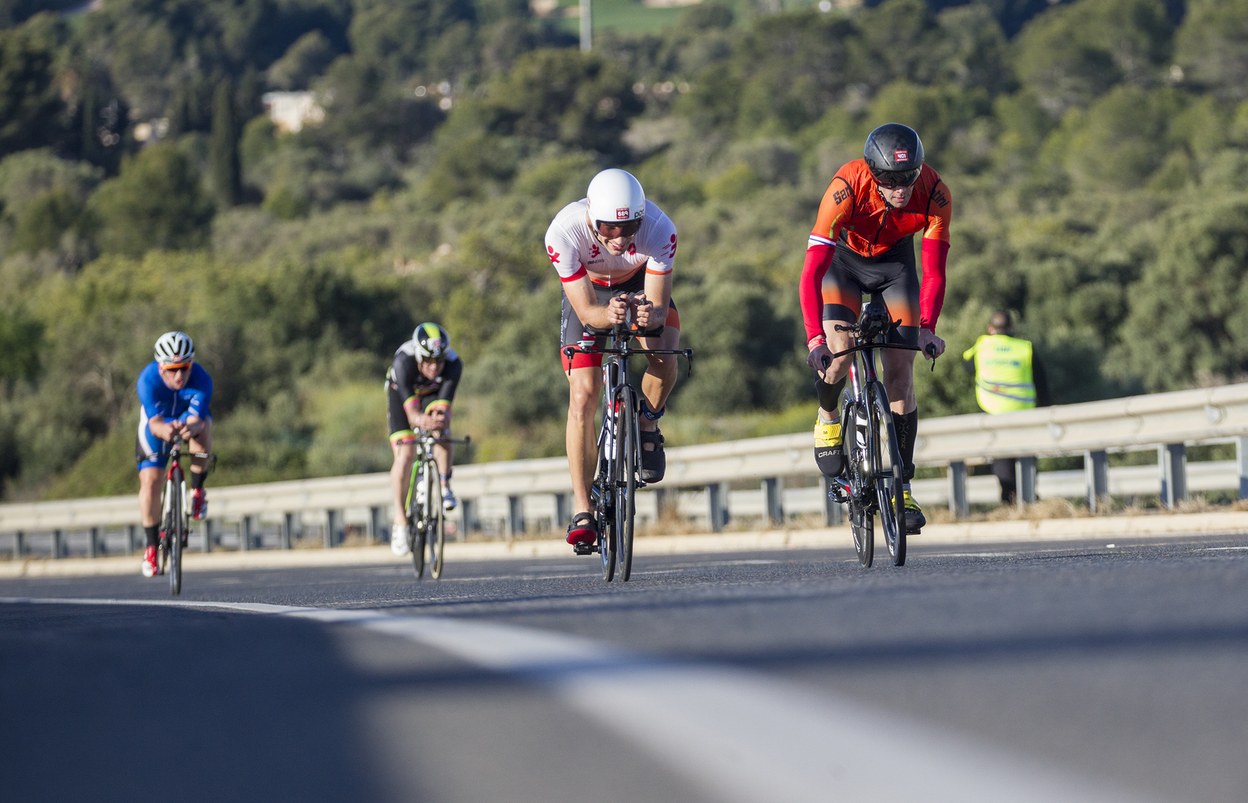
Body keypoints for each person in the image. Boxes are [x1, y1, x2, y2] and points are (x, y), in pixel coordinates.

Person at [799, 122, 951, 534]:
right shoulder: (845, 188)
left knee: (900, 375)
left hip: (895, 269)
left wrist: (926, 327)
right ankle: (829, 414)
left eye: (907, 178)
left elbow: (935, 270)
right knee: (837, 355)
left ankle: (901, 487)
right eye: (888, 179)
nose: (900, 189)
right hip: (842, 266)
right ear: (872, 172)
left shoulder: (934, 192)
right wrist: (815, 337)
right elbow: (811, 272)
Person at [545, 167, 682, 550]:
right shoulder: (564, 230)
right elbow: (589, 313)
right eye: (609, 229)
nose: (620, 238)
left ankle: (648, 424)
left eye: (630, 227)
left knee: (663, 354)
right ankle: (582, 507)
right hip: (589, 294)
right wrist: (610, 313)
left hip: (640, 287)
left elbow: (656, 307)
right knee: (582, 395)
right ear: (592, 218)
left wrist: (647, 314)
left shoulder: (659, 228)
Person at [136, 331, 213, 578]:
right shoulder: (147, 380)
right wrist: (166, 432)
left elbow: (197, 420)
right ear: (161, 368)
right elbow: (154, 424)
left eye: (185, 367)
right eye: (172, 369)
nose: (180, 375)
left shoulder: (201, 379)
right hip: (157, 424)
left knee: (205, 429)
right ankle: (150, 547)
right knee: (150, 482)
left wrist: (191, 428)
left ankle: (198, 489)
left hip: (186, 420)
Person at [386, 322, 463, 556]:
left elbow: (444, 405)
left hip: (431, 394)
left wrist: (438, 420)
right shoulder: (404, 361)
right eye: (428, 361)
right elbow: (411, 415)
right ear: (419, 357)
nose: (434, 367)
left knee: (442, 428)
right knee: (406, 452)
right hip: (402, 393)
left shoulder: (453, 364)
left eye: (438, 361)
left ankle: (444, 484)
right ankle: (400, 521)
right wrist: (420, 420)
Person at [961, 309, 1050, 504]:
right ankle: (1028, 498)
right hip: (1024, 413)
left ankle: (1008, 499)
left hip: (993, 411)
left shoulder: (982, 345)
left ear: (990, 328)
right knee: (1026, 456)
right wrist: (1045, 410)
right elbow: (1041, 382)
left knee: (1002, 459)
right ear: (1011, 327)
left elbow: (965, 365)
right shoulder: (1025, 348)